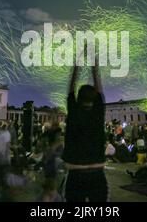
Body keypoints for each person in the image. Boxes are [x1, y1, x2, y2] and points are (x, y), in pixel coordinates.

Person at [62, 54, 108, 202]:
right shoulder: (98, 112)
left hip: (75, 172)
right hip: (97, 172)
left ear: (78, 98)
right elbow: (99, 87)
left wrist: (76, 65)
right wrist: (95, 66)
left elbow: (70, 88)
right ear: (95, 98)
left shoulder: (74, 111)